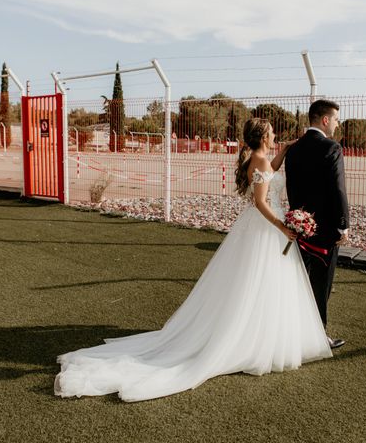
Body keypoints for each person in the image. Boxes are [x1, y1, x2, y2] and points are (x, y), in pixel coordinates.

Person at [54, 118, 332, 402]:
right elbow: (261, 202)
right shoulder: (259, 162)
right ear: (262, 137)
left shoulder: (260, 159)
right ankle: (251, 340)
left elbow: (269, 175)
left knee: (260, 283)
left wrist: (283, 152)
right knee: (259, 282)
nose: (275, 136)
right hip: (266, 227)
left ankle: (261, 334)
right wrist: (282, 225)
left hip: (259, 229)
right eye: (272, 133)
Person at [285, 99, 350, 349]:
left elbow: (292, 188)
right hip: (324, 231)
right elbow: (338, 189)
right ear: (324, 120)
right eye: (335, 119)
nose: (336, 123)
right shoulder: (332, 147)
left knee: (299, 281)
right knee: (321, 285)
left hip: (299, 227)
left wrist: (298, 219)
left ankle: (295, 330)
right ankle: (317, 336)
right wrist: (342, 225)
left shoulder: (294, 149)